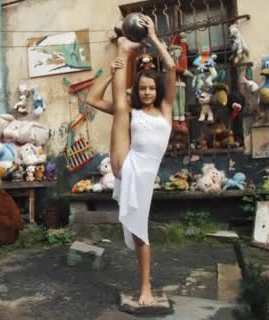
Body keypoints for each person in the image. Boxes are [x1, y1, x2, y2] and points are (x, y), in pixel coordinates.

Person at [86, 15, 175, 305]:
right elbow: (92, 99)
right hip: (127, 162)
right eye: (142, 88)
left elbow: (171, 67)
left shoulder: (165, 111)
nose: (147, 92)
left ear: (157, 90)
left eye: (150, 88)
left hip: (144, 177)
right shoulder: (132, 111)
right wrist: (111, 73)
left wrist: (154, 36)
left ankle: (145, 286)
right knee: (123, 109)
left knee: (140, 234)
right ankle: (123, 51)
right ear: (137, 90)